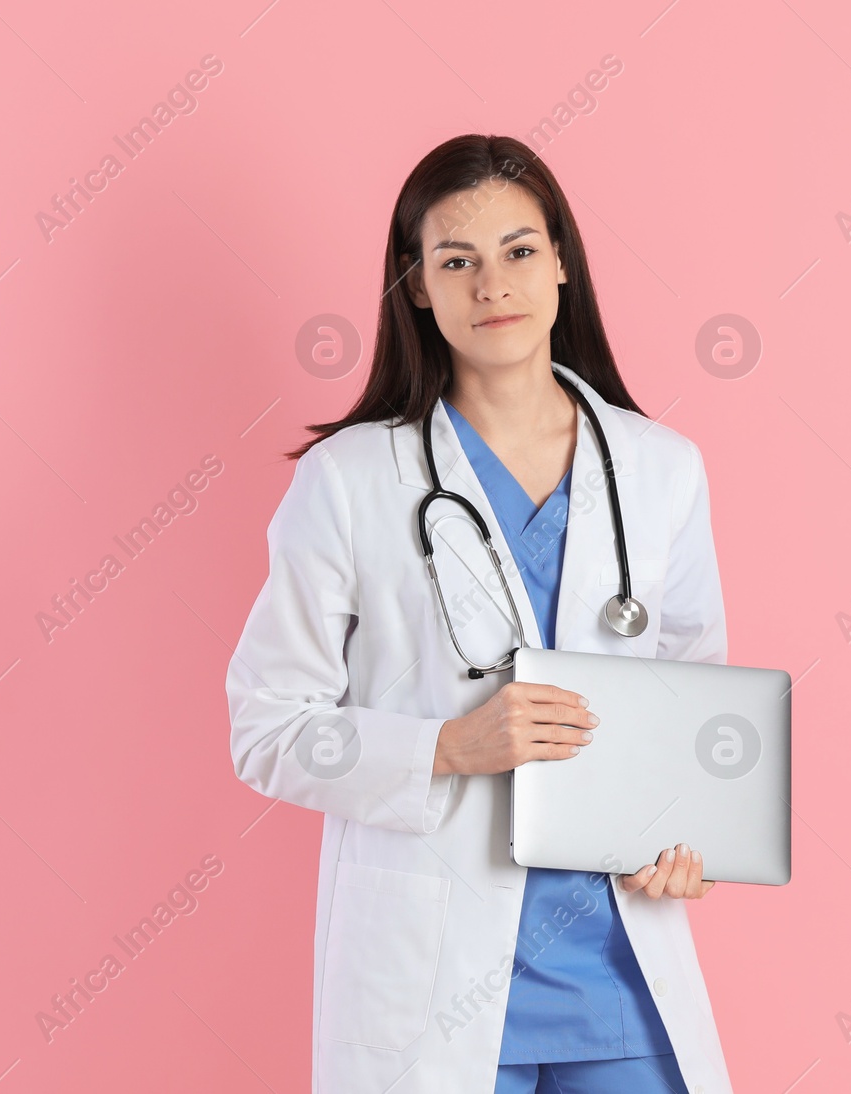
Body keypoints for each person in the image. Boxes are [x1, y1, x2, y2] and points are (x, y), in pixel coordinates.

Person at [227, 134, 733, 1093]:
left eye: (519, 250)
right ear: (417, 286)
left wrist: (687, 842)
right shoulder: (351, 482)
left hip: (618, 980)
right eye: (456, 261)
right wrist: (447, 749)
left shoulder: (661, 469)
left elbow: (695, 704)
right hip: (433, 982)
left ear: (562, 264)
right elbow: (267, 730)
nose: (492, 283)